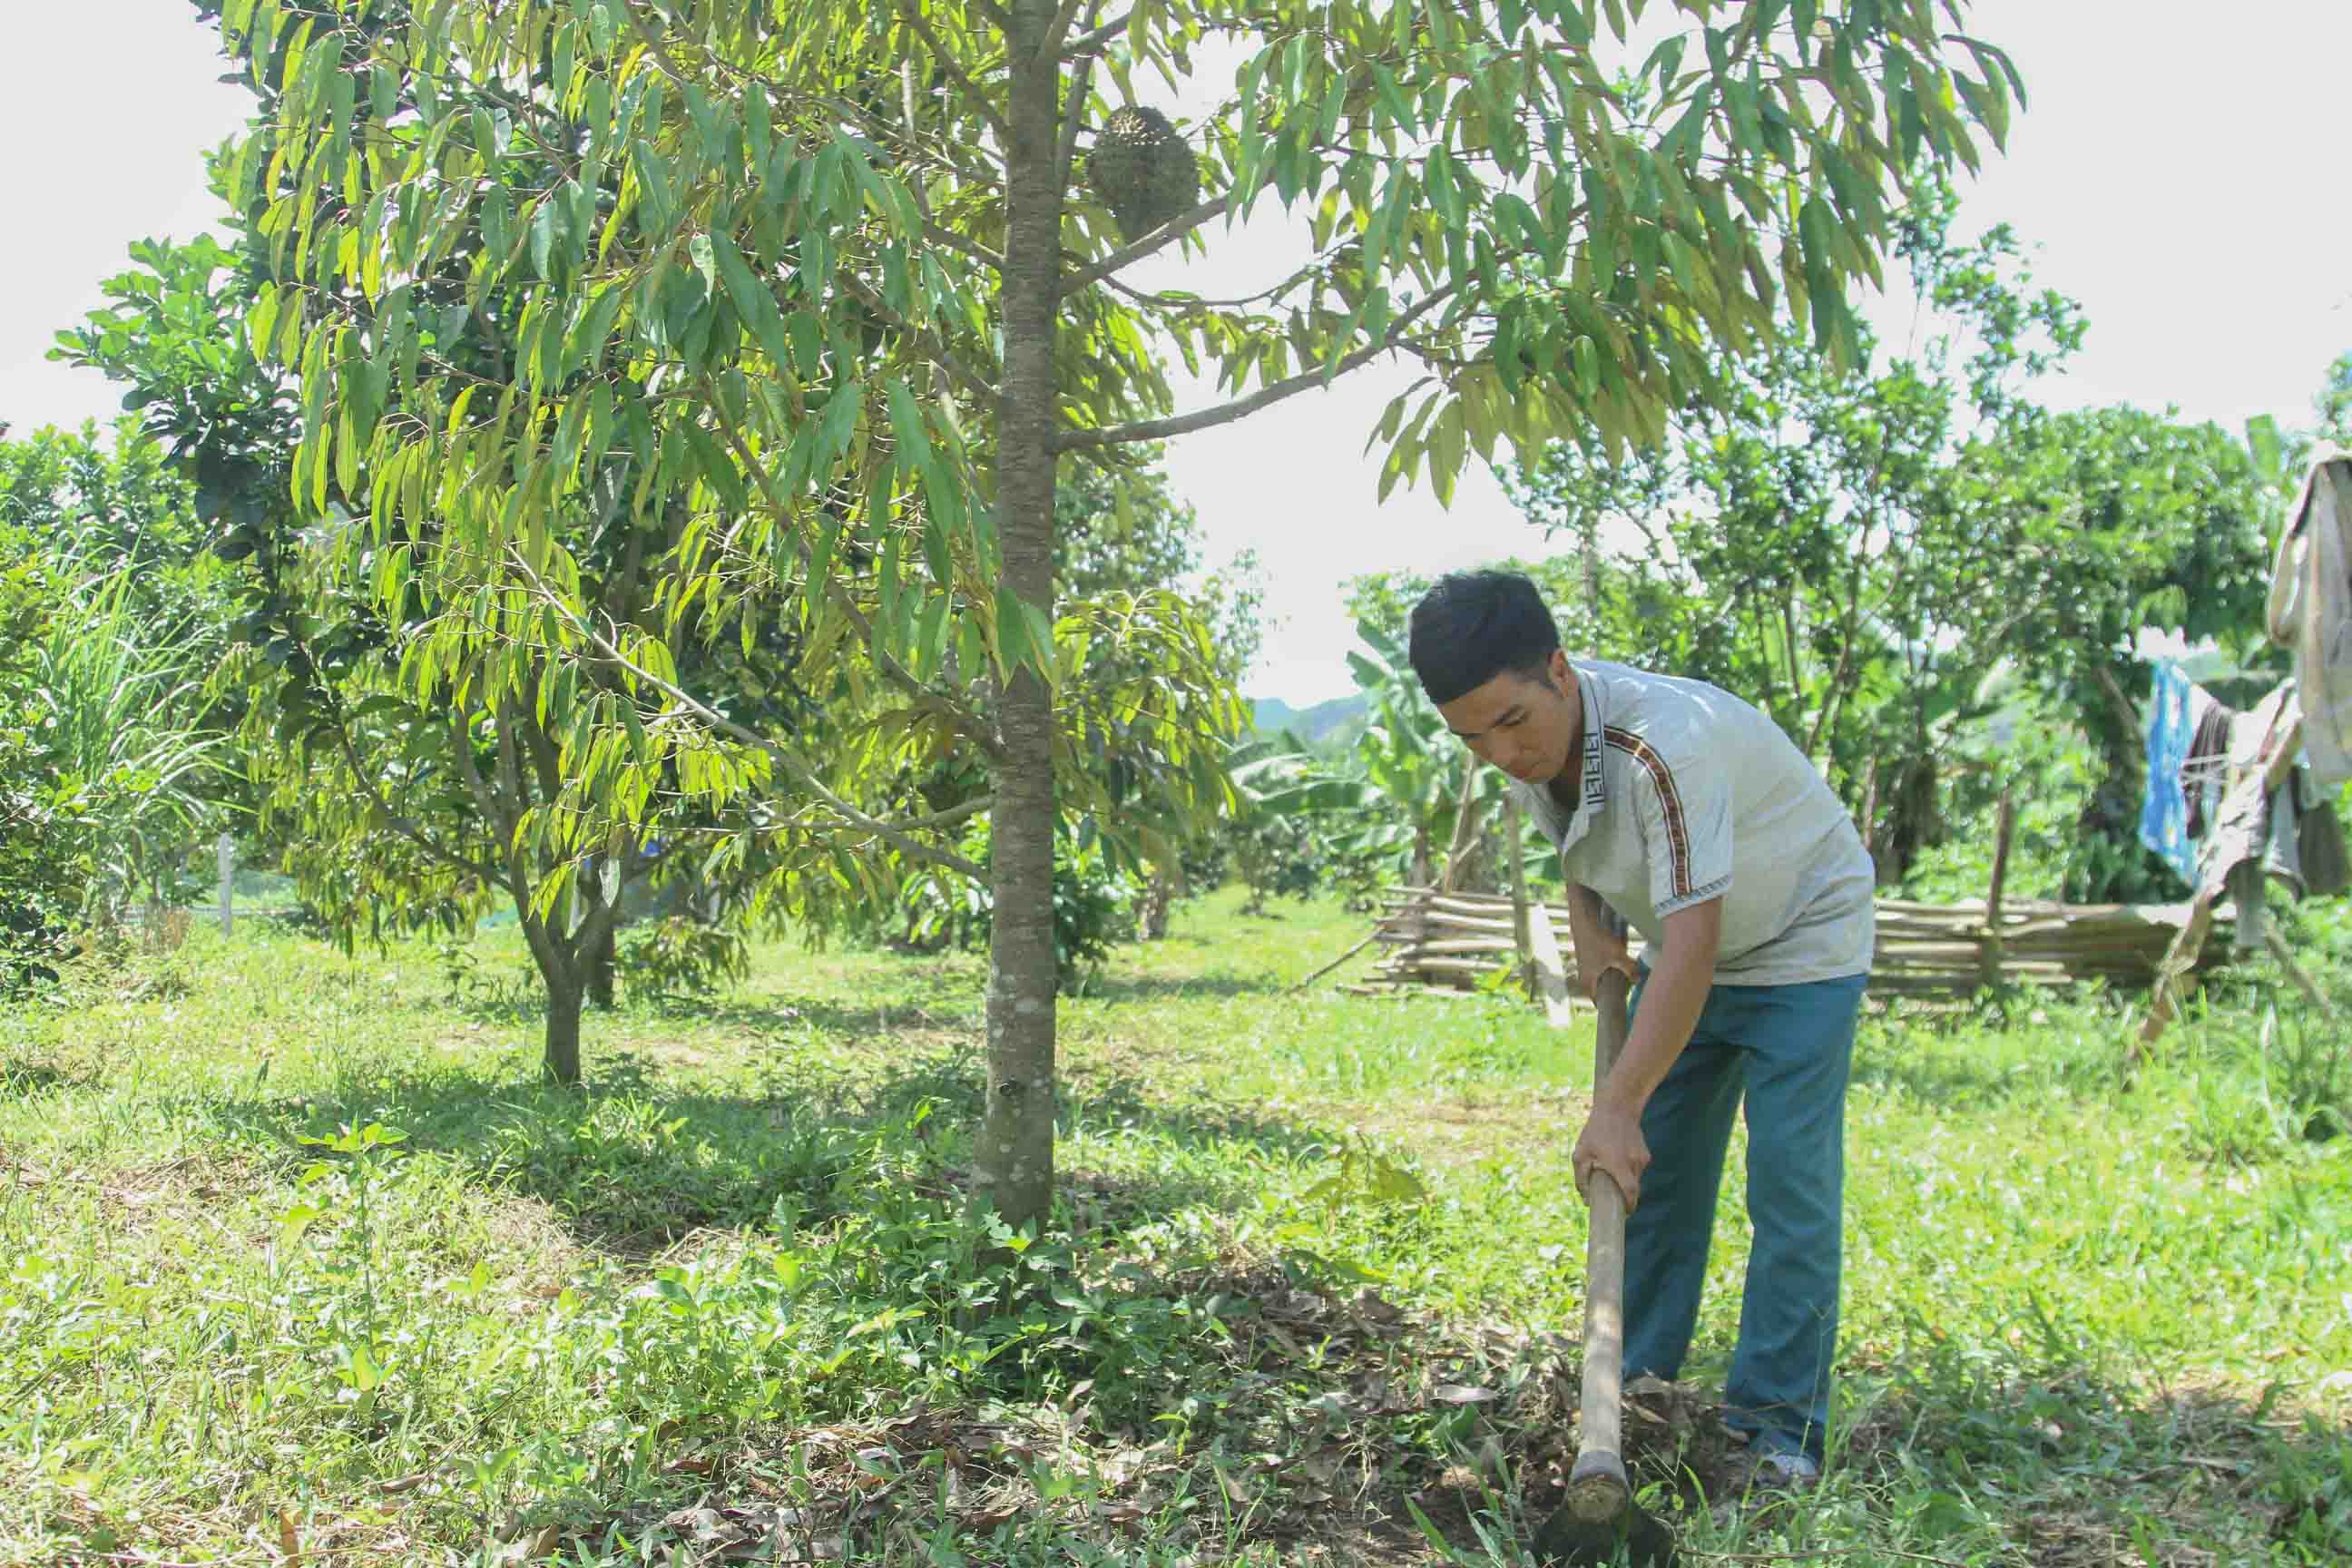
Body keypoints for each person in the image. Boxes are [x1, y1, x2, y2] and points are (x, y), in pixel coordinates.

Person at [1406, 570, 1874, 1487]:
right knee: (1651, 1176)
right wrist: (1593, 937)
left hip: (1803, 935)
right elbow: (1582, 845)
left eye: (1510, 722)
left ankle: (1778, 1432)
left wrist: (1615, 1102)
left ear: (1560, 670)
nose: (1500, 750)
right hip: (1694, 945)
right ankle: (1633, 1392)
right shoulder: (1527, 747)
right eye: (1472, 736)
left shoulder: (1665, 746)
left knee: (1788, 1185)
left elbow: (1692, 949)